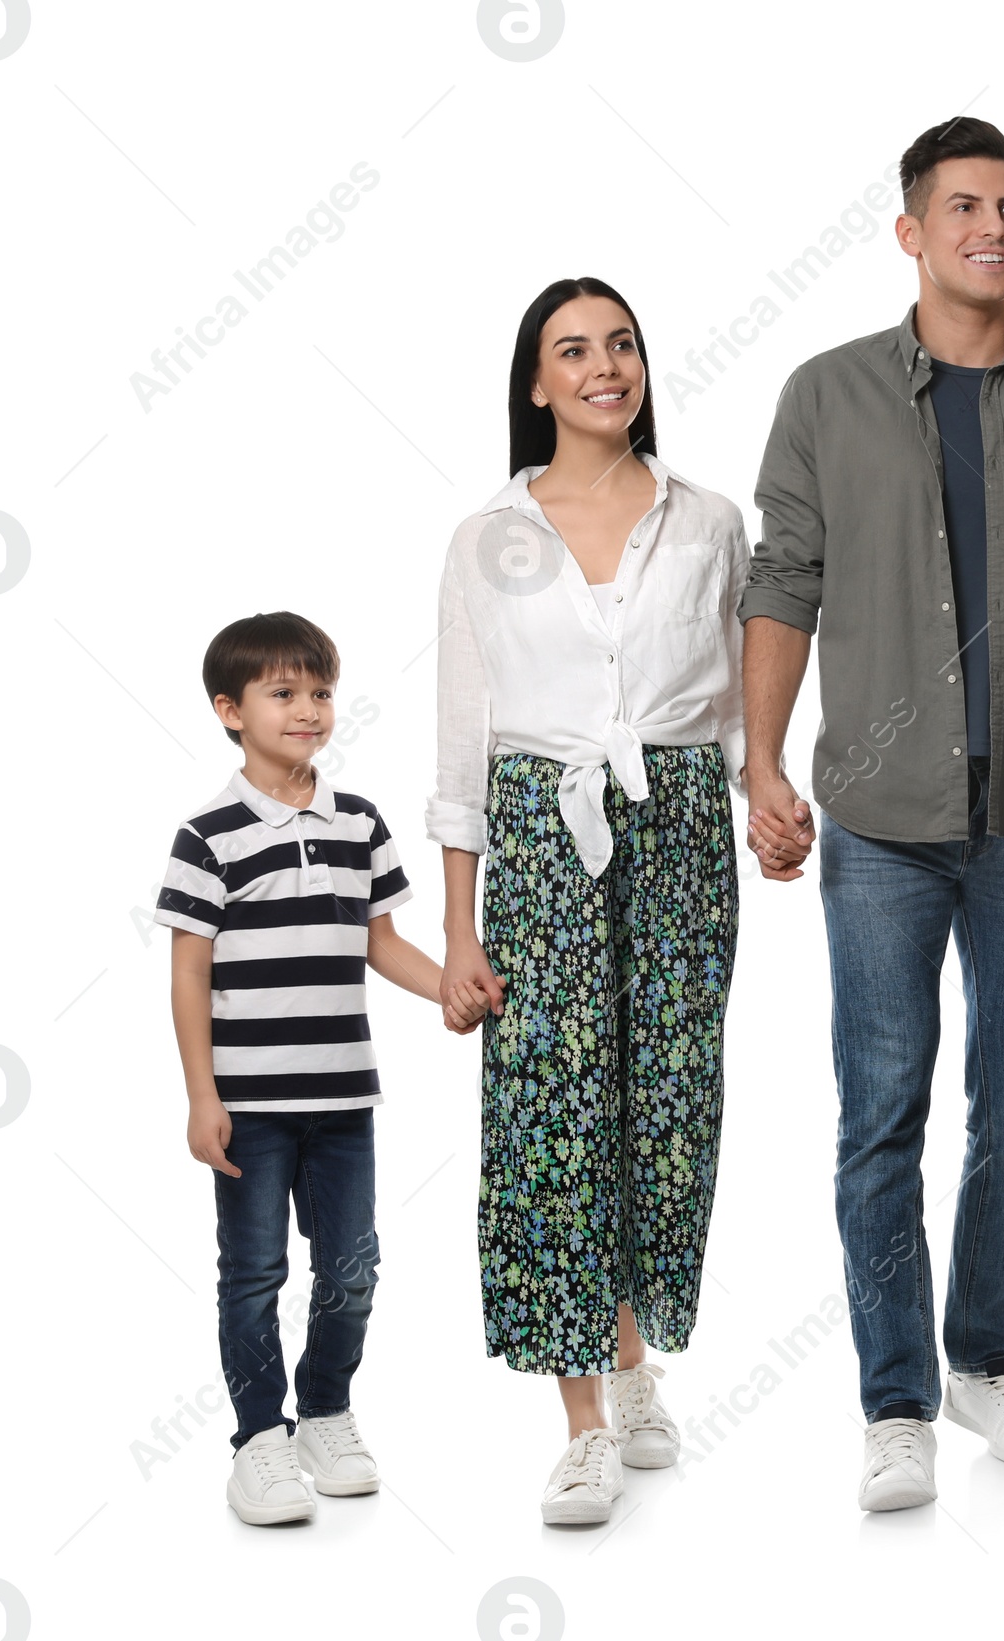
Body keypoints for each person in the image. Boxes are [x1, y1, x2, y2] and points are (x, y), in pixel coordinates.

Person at [740, 117, 1004, 1511]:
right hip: (878, 821)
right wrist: (765, 763)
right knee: (880, 1112)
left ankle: (983, 1358)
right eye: (965, 206)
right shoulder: (826, 394)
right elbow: (784, 582)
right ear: (912, 231)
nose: (994, 226)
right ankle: (895, 1401)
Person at [428, 277, 748, 1526]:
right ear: (536, 384)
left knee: (664, 1098)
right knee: (550, 1106)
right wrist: (459, 929)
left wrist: (762, 794)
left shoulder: (709, 520)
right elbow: (465, 744)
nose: (605, 365)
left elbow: (731, 699)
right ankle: (580, 1419)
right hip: (536, 830)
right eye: (575, 350)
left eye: (621, 344)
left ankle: (631, 1355)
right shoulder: (486, 538)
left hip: (679, 829)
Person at [155, 611, 475, 1525]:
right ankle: (260, 1435)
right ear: (230, 709)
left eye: (322, 691)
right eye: (284, 693)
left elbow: (383, 944)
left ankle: (325, 1410)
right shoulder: (209, 834)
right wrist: (201, 1095)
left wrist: (453, 988)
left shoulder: (359, 822)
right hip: (249, 1107)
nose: (309, 710)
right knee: (253, 1271)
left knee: (352, 1268)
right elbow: (188, 972)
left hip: (343, 1101)